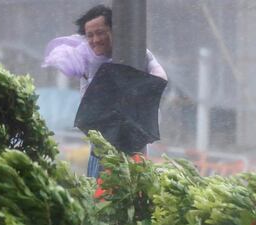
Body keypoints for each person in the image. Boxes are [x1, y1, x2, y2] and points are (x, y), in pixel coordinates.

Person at [43, 4, 167, 178]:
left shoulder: (137, 54)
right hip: (101, 142)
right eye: (90, 35)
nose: (95, 40)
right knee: (99, 190)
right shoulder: (87, 61)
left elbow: (160, 77)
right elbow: (90, 104)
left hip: (133, 139)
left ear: (114, 31)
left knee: (133, 186)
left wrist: (136, 93)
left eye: (100, 33)